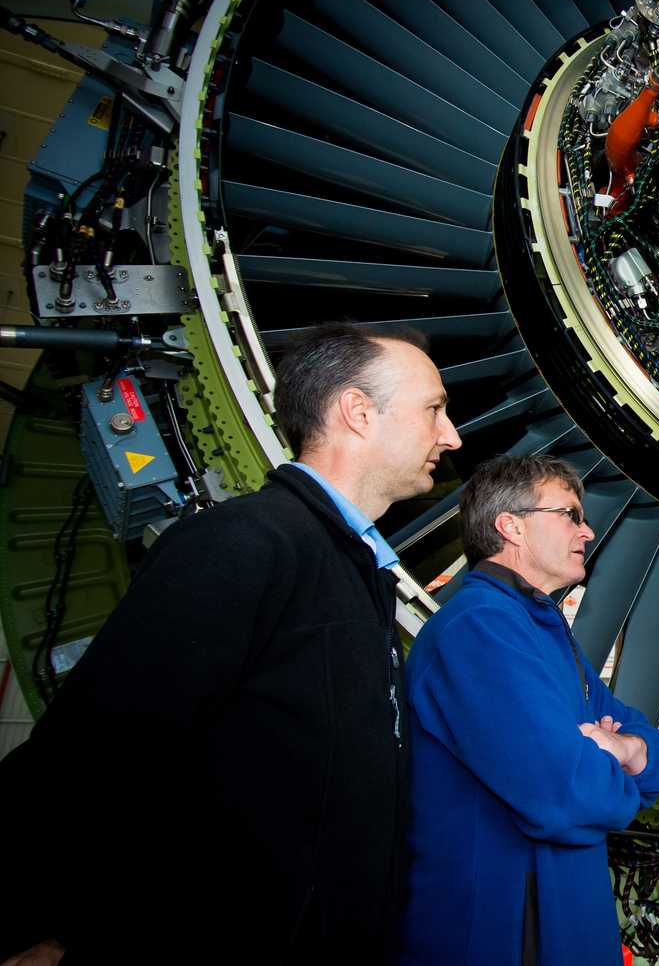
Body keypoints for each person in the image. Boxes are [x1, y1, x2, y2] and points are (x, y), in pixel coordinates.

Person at [0, 322, 462, 966]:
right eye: (434, 410)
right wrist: (46, 929)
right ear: (357, 412)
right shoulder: (246, 544)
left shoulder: (358, 576)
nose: (452, 436)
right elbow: (97, 753)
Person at [399, 455, 659, 966]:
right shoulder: (478, 629)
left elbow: (653, 755)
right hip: (507, 937)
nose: (588, 531)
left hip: (563, 929)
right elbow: (567, 794)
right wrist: (619, 770)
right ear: (511, 527)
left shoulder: (541, 629)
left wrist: (629, 749)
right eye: (569, 514)